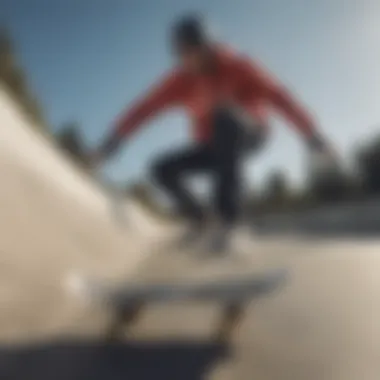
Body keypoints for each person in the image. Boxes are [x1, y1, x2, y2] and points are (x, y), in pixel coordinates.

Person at [91, 13, 335, 253]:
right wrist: (111, 144)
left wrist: (313, 136)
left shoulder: (240, 66)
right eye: (184, 54)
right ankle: (200, 219)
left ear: (210, 46)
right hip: (212, 146)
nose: (191, 60)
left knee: (224, 117)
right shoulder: (178, 81)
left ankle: (230, 223)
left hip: (251, 132)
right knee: (161, 169)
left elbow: (280, 97)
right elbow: (143, 110)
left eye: (196, 51)